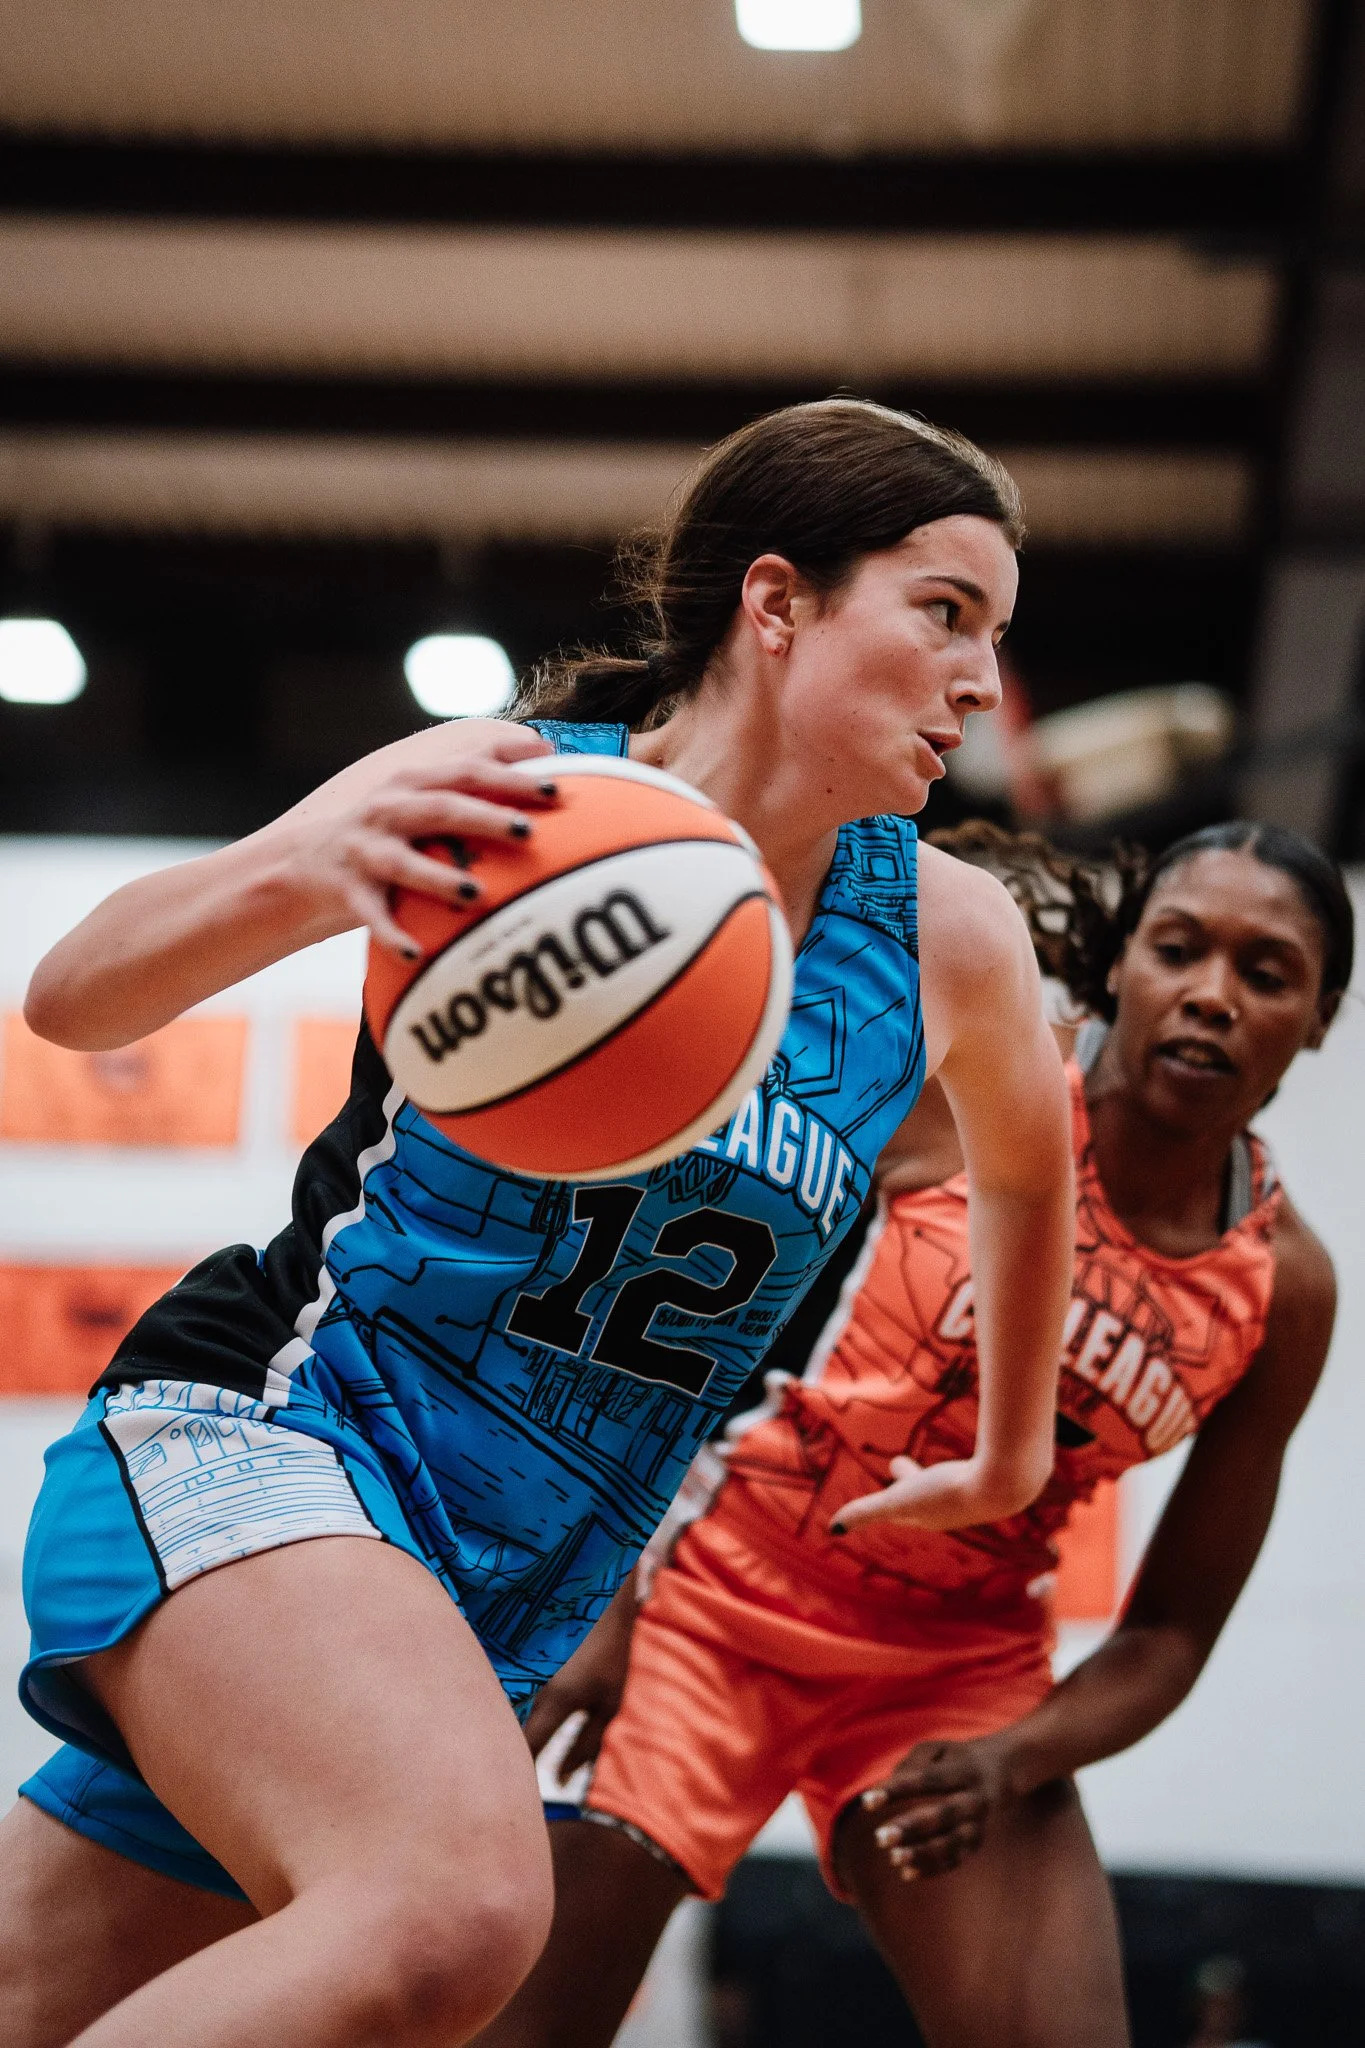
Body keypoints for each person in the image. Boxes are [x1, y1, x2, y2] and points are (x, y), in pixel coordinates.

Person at [0, 400, 1076, 2048]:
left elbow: (1030, 1169)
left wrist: (1011, 1450)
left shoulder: (949, 939)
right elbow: (76, 995)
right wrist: (312, 866)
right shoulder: (514, 794)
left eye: (993, 635)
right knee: (458, 1912)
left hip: (491, 1602)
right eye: (944, 612)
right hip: (278, 1438)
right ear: (777, 602)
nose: (979, 681)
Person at [472, 818, 1348, 2048]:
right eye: (1178, 948)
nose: (1211, 994)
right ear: (1120, 964)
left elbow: (1171, 1631)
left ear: (1318, 1018)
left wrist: (1016, 1756)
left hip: (952, 1665)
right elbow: (667, 1331)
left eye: (1266, 971)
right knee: (504, 2014)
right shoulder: (967, 1079)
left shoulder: (1282, 1287)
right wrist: (602, 1599)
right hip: (712, 1591)